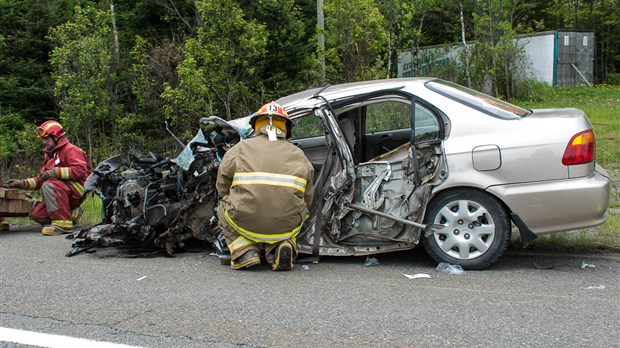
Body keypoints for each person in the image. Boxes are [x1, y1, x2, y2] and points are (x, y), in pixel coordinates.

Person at [216, 101, 314, 271]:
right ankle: (284, 244)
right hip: (286, 226)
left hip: (244, 222)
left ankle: (244, 251)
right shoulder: (299, 155)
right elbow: (308, 197)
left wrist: (232, 198)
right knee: (294, 215)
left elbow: (222, 185)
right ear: (285, 128)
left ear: (257, 125)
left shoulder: (240, 149)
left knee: (222, 207)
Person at [4, 120, 92, 236]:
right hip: (61, 190)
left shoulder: (71, 150)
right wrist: (22, 183)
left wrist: (54, 172)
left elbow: (80, 171)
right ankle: (72, 214)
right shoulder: (50, 154)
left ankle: (62, 225)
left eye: (47, 138)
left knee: (50, 184)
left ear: (57, 137)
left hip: (78, 190)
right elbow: (41, 179)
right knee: (37, 215)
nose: (45, 142)